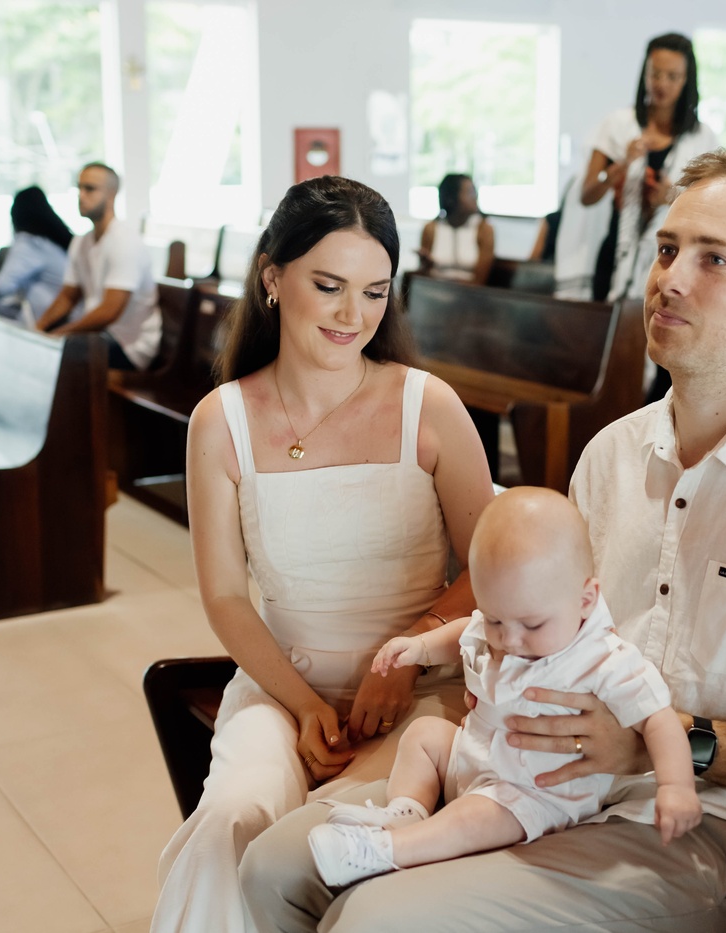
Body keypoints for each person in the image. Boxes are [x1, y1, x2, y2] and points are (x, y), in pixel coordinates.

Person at [240, 149, 726, 933]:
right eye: (668, 249)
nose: (670, 279)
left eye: (715, 259)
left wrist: (670, 743)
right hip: (540, 780)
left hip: (716, 830)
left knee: (380, 919)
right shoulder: (611, 454)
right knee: (274, 868)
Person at [150, 175, 496, 933]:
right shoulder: (220, 420)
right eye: (329, 286)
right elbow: (225, 596)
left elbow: (491, 568)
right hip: (282, 679)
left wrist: (404, 657)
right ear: (273, 278)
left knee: (330, 838)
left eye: (374, 292)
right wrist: (303, 704)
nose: (353, 316)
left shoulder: (427, 404)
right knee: (234, 817)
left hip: (418, 685)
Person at [306, 488, 701, 888]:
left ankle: (388, 851)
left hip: (533, 796)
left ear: (585, 600)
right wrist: (420, 647)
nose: (509, 639)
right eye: (496, 620)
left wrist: (676, 786)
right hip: (471, 757)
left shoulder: (603, 659)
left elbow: (659, 720)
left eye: (532, 625)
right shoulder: (509, 615)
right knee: (424, 736)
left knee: (474, 817)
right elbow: (467, 632)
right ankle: (407, 810)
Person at [578, 32, 718, 304]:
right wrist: (621, 167)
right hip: (616, 253)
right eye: (655, 74)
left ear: (686, 80)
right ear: (645, 73)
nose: (661, 84)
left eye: (672, 76)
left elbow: (711, 211)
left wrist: (670, 197)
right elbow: (587, 195)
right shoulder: (619, 124)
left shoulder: (702, 138)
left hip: (671, 262)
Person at [34, 162, 160, 370]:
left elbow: (110, 312)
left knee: (57, 357)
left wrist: (60, 335)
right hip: (99, 336)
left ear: (111, 194)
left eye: (90, 189)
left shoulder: (125, 241)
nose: (81, 195)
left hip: (129, 346)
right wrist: (38, 330)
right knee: (43, 349)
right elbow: (67, 296)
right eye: (79, 188)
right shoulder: (81, 241)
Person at [0, 185, 72, 321]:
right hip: (62, 314)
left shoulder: (31, 242)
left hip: (49, 318)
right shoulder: (50, 241)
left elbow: (3, 286)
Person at [418, 173, 494, 285]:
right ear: (452, 197)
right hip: (435, 290)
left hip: (469, 292)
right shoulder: (431, 229)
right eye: (469, 192)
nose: (475, 196)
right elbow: (424, 275)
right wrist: (426, 265)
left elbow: (480, 280)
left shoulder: (484, 229)